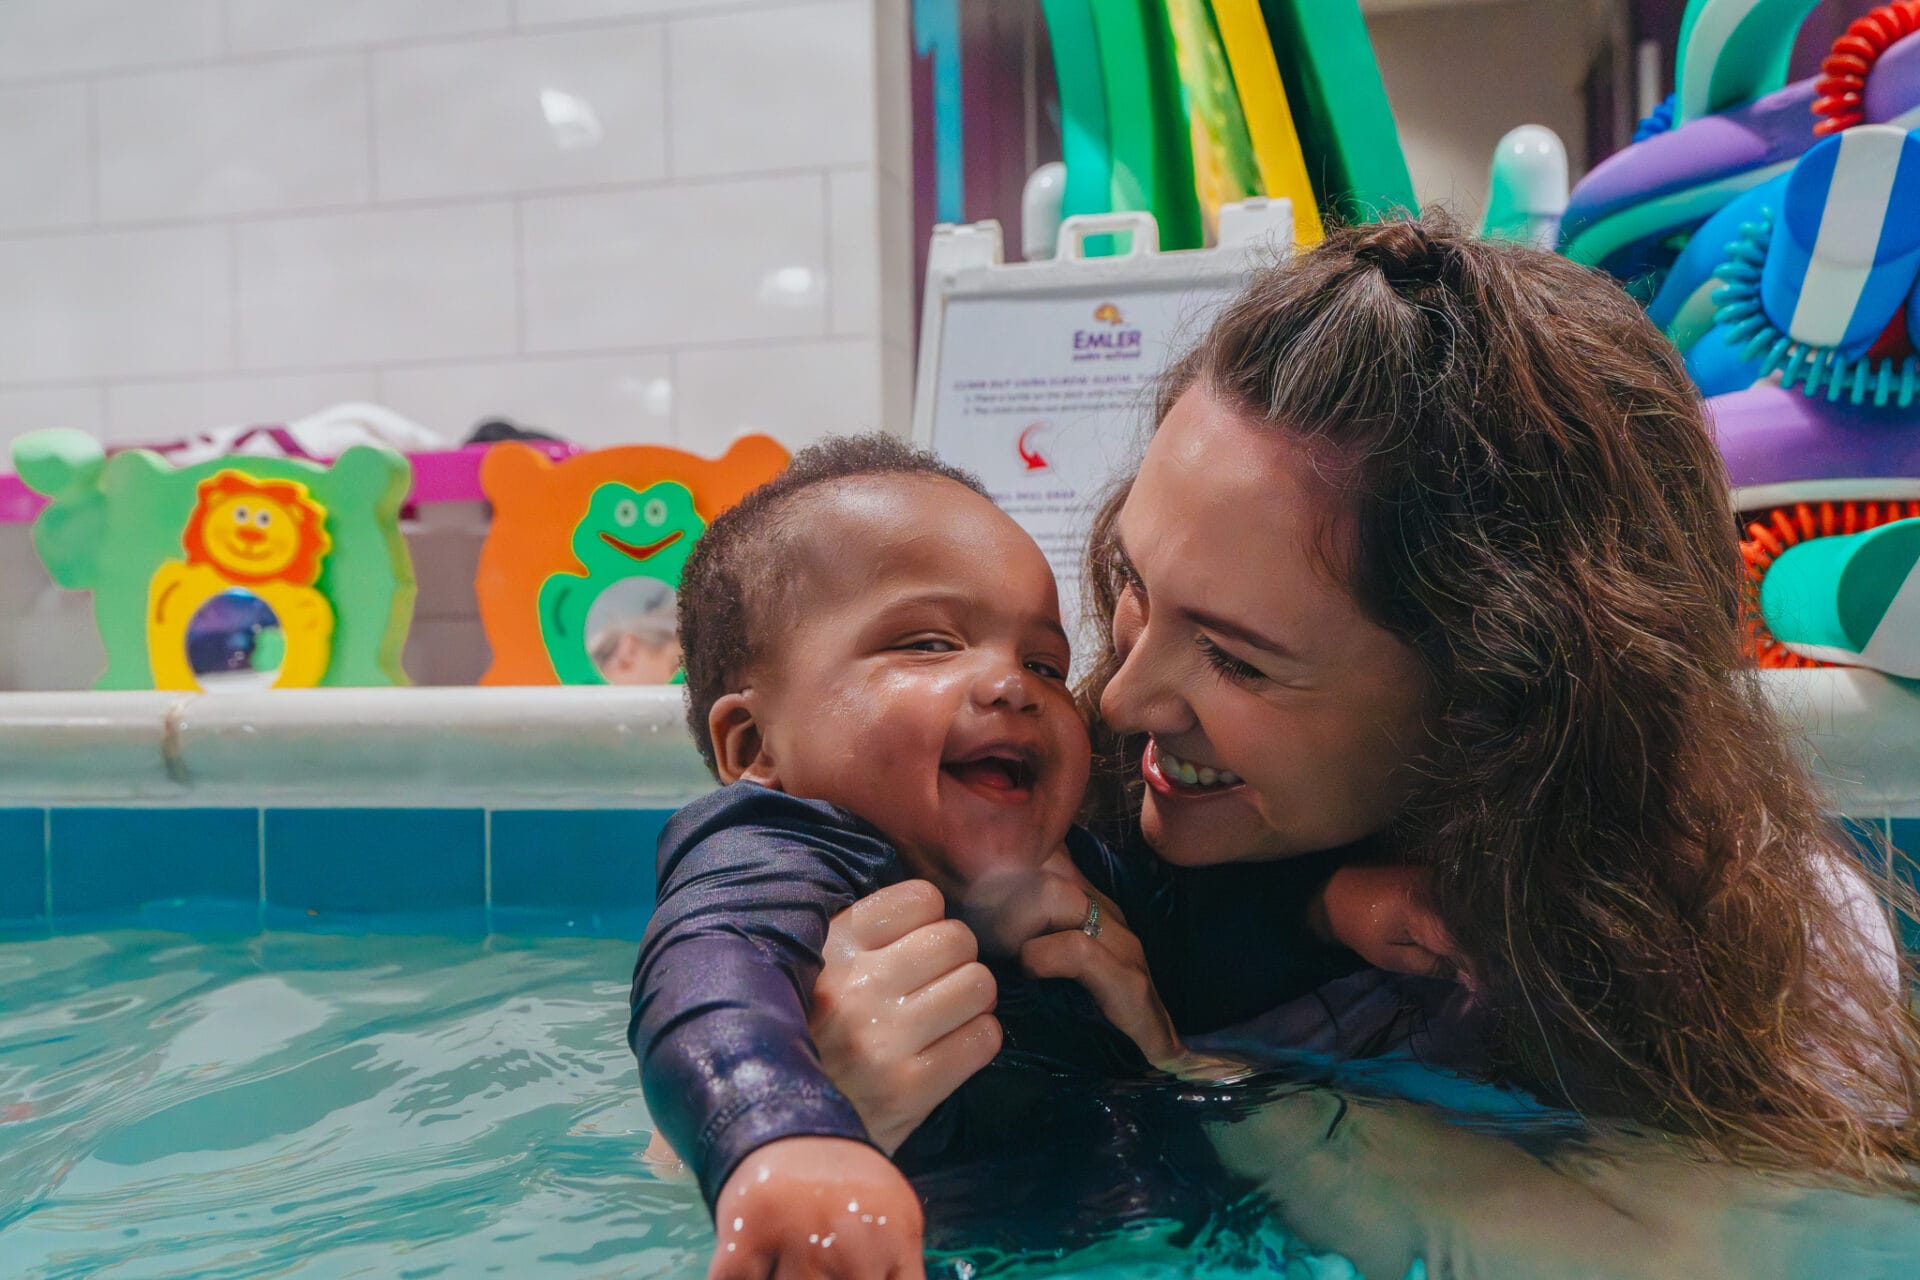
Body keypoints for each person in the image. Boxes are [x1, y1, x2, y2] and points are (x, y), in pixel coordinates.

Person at [800, 215, 1920, 1198]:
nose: (1127, 696)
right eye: (1138, 582)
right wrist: (820, 1103)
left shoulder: (1764, 959)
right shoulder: (1035, 820)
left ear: (1494, 707)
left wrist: (1191, 1083)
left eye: (1238, 660)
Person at [630, 436, 1413, 1279]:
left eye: (1044, 661)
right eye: (928, 645)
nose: (1011, 685)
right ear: (753, 743)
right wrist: (782, 1135)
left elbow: (1191, 939)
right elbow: (709, 979)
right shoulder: (782, 853)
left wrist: (1330, 910)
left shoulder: (1068, 866)